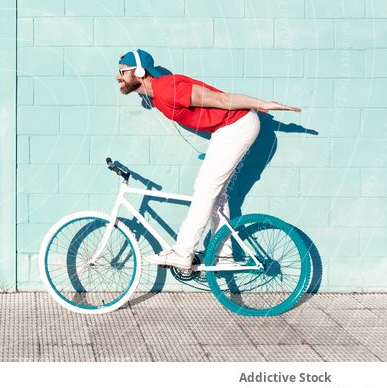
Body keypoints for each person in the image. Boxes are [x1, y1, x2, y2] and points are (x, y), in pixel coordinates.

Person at [115, 49, 301, 269]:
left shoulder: (167, 89)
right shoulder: (155, 96)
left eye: (122, 72)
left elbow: (219, 99)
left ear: (139, 72)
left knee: (205, 188)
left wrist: (263, 104)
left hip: (237, 125)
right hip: (226, 129)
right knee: (215, 193)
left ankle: (183, 252)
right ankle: (224, 255)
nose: (118, 77)